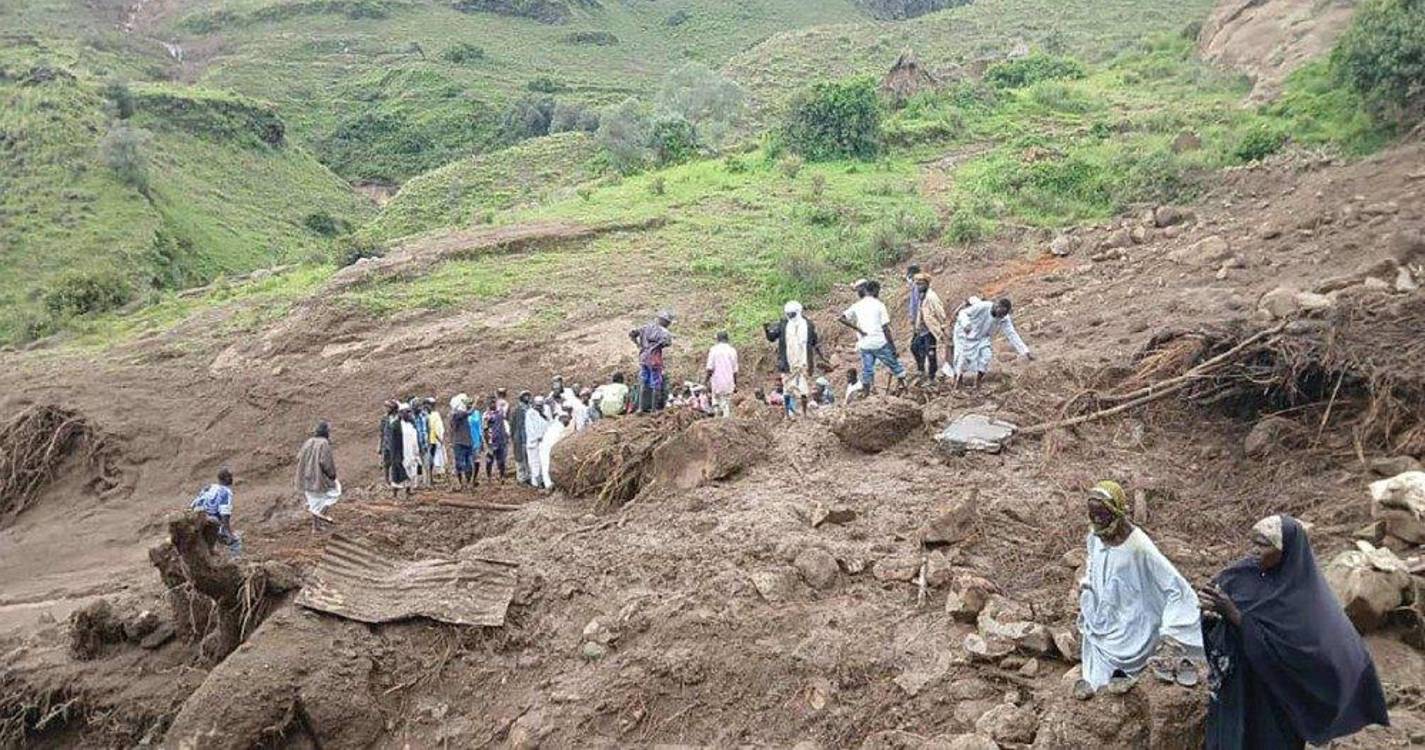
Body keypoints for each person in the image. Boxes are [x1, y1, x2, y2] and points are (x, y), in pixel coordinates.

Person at [1199, 515, 1389, 748]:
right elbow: (1216, 612)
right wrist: (1211, 617)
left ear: (1286, 550)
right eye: (1254, 543)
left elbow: (1305, 652)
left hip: (1276, 696)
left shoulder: (1305, 598)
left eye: (1264, 545)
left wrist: (1235, 615)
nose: (1255, 551)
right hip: (1239, 685)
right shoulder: (1240, 575)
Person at [1076, 480, 1203, 698]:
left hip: (1134, 623)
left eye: (1102, 515)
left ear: (1116, 512)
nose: (1096, 520)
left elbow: (1175, 587)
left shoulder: (1138, 546)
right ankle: (1099, 682)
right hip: (1105, 617)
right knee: (1097, 673)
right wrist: (1087, 587)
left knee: (1126, 651)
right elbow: (1093, 563)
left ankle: (1127, 673)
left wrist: (1171, 630)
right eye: (1092, 515)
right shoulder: (1095, 537)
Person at [838, 279, 907, 394]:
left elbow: (841, 318)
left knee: (867, 369)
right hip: (879, 342)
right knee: (894, 364)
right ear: (875, 291)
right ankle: (902, 385)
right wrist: (893, 348)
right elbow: (885, 328)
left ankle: (866, 393)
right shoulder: (879, 305)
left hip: (865, 344)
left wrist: (858, 329)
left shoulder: (857, 305)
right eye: (878, 291)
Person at [953, 296, 1032, 392]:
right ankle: (958, 382)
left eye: (1003, 315)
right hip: (965, 333)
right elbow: (963, 313)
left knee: (986, 356)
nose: (1000, 317)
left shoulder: (1004, 318)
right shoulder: (983, 306)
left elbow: (1012, 334)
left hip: (983, 338)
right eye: (1000, 313)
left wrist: (1025, 351)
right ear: (996, 306)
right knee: (961, 359)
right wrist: (966, 324)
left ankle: (978, 382)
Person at [764, 301, 827, 417]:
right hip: (787, 362)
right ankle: (787, 414)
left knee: (804, 389)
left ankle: (804, 413)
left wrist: (822, 357)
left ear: (798, 312)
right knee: (787, 388)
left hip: (803, 362)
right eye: (788, 314)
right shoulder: (783, 324)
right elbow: (772, 338)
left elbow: (814, 342)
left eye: (792, 314)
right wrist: (767, 330)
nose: (790, 316)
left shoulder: (808, 325)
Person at [296, 422, 341, 531]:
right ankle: (321, 513)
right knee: (335, 492)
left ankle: (315, 527)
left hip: (305, 477)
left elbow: (299, 457)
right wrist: (332, 475)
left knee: (313, 502)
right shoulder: (324, 443)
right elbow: (326, 462)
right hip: (318, 477)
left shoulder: (308, 442)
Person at [189, 468, 241, 556]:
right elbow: (225, 514)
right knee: (236, 542)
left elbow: (195, 503)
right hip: (210, 524)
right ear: (226, 478)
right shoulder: (226, 492)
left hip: (195, 520)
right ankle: (235, 561)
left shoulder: (209, 487)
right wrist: (228, 533)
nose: (232, 478)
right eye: (230, 476)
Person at [629, 310, 674, 412]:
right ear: (665, 321)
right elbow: (667, 342)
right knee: (656, 383)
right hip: (654, 358)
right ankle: (653, 409)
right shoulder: (663, 331)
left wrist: (638, 345)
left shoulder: (645, 327)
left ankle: (640, 408)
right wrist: (656, 346)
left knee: (643, 381)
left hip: (643, 357)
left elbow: (632, 333)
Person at [910, 273, 947, 381]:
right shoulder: (921, 296)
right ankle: (921, 369)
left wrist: (942, 324)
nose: (919, 286)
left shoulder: (931, 297)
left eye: (921, 284)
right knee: (914, 348)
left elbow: (940, 312)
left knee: (930, 353)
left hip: (930, 330)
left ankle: (932, 376)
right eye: (917, 284)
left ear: (927, 284)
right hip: (921, 329)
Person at [381, 400, 412, 499]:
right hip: (390, 447)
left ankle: (406, 490)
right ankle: (392, 488)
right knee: (390, 466)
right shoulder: (386, 420)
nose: (386, 409)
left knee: (404, 469)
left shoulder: (403, 423)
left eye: (388, 407)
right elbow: (382, 433)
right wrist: (380, 445)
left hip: (401, 449)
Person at [705, 331, 739, 418]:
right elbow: (735, 370)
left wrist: (706, 380)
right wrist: (735, 384)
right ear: (727, 339)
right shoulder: (732, 351)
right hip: (729, 381)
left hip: (717, 381)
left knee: (716, 402)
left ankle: (717, 419)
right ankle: (726, 419)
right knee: (726, 403)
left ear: (718, 339)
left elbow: (710, 368)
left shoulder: (714, 350)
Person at [539, 409, 571, 490]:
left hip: (550, 448)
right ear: (562, 418)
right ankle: (548, 486)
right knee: (546, 466)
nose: (568, 420)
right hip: (547, 449)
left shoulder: (559, 426)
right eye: (567, 418)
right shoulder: (557, 427)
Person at [449, 395, 475, 490]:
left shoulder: (457, 415)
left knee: (466, 465)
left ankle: (465, 483)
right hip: (461, 443)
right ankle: (462, 483)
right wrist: (475, 403)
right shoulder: (458, 415)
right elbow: (469, 412)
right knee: (461, 464)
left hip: (464, 442)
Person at [524, 396, 549, 488]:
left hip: (544, 443)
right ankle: (536, 483)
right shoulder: (530, 413)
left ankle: (543, 481)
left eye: (541, 405)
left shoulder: (545, 412)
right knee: (534, 463)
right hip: (534, 443)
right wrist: (538, 437)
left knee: (543, 462)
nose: (539, 407)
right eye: (537, 405)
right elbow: (530, 429)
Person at [398, 403, 420, 499]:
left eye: (409, 412)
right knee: (405, 470)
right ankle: (405, 490)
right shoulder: (399, 426)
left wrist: (416, 451)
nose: (408, 414)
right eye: (406, 413)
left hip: (412, 452)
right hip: (404, 453)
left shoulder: (411, 425)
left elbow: (415, 440)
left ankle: (410, 489)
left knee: (413, 471)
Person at [484, 397, 509, 481]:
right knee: (489, 460)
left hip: (501, 439)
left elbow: (506, 406)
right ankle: (489, 476)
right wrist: (488, 443)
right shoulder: (486, 415)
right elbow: (485, 429)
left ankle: (502, 476)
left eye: (494, 403)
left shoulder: (500, 412)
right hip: (491, 440)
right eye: (491, 403)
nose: (493, 404)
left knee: (501, 460)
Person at [511, 391, 531, 483]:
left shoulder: (530, 409)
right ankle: (521, 478)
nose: (527, 397)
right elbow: (514, 425)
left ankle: (529, 476)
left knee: (529, 458)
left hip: (529, 437)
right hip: (519, 437)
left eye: (528, 396)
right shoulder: (517, 410)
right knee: (520, 458)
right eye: (525, 396)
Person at [467, 395, 486, 488]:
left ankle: (474, 479)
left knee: (476, 461)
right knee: (469, 462)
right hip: (467, 441)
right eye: (469, 404)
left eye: (471, 403)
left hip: (476, 440)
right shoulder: (465, 414)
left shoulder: (477, 413)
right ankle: (468, 480)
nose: (470, 405)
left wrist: (481, 439)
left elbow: (479, 427)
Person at [426, 398, 446, 480]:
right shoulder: (427, 416)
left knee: (436, 457)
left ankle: (434, 476)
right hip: (430, 440)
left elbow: (438, 428)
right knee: (431, 459)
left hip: (434, 440)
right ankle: (430, 477)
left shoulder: (435, 414)